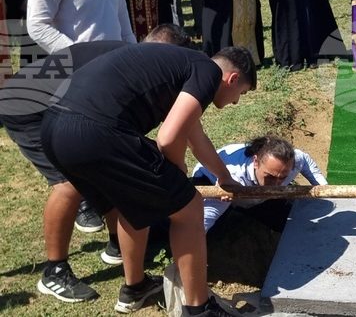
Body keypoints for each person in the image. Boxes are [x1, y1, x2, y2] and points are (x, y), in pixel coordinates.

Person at [40, 44, 254, 315]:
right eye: (241, 94)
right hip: (95, 129)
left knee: (134, 201)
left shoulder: (181, 67)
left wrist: (224, 177)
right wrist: (178, 181)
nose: (236, 102)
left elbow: (195, 136)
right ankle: (199, 309)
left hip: (54, 127)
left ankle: (135, 288)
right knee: (189, 209)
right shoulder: (208, 71)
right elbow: (168, 138)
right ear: (232, 79)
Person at [0, 24, 188, 303]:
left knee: (105, 165)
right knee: (68, 185)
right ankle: (54, 272)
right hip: (26, 106)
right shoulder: (128, 65)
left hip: (59, 106)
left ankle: (117, 244)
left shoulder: (131, 62)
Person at [193, 135, 327, 232]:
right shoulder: (232, 181)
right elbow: (203, 223)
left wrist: (323, 188)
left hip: (256, 197)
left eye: (283, 177)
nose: (275, 185)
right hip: (209, 181)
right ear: (256, 162)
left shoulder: (295, 161)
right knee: (216, 232)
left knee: (288, 224)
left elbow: (304, 159)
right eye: (270, 177)